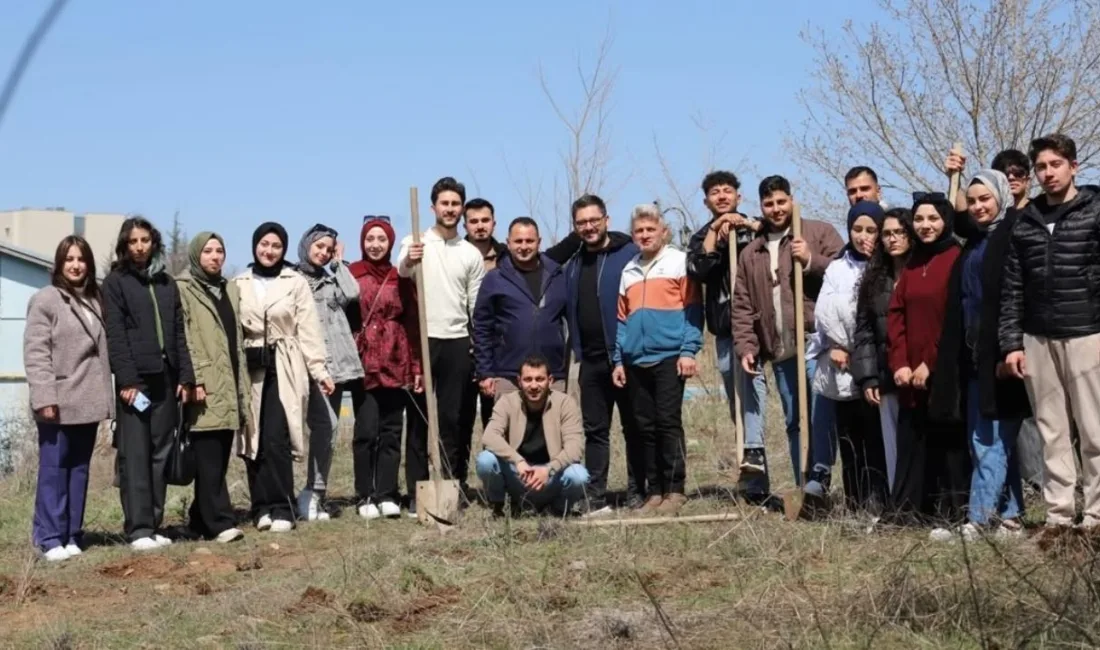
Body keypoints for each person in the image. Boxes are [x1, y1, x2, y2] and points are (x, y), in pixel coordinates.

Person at [1000, 134, 1100, 531]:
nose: (1047, 173)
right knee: (1051, 431)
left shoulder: (1095, 210)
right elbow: (1012, 286)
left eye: (1055, 165)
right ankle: (1059, 516)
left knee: (1094, 430)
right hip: (1037, 338)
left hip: (1088, 333)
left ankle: (1094, 516)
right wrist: (1011, 343)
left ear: (1073, 166)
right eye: (1040, 167)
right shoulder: (1026, 220)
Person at [932, 170, 1027, 540]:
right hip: (974, 358)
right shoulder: (973, 243)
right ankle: (1011, 515)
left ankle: (980, 518)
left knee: (988, 440)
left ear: (1001, 197)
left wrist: (1010, 347)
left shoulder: (1013, 236)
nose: (977, 207)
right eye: (972, 201)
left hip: (1002, 357)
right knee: (990, 438)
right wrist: (953, 178)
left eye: (984, 199)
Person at [732, 176, 845, 486]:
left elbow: (846, 273)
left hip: (815, 343)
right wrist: (747, 347)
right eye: (769, 204)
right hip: (781, 348)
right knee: (795, 421)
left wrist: (810, 259)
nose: (776, 208)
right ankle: (802, 485)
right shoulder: (751, 252)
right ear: (761, 207)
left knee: (819, 417)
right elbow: (741, 305)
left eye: (781, 201)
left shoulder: (818, 232)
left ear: (792, 200)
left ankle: (821, 479)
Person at [103, 217, 195, 551]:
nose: (140, 247)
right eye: (133, 241)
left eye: (145, 240)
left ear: (154, 242)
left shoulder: (166, 283)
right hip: (135, 383)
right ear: (125, 246)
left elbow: (178, 333)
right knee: (135, 455)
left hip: (166, 380)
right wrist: (126, 380)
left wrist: (185, 376)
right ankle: (138, 528)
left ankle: (154, 524)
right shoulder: (116, 282)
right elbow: (115, 334)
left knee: (160, 452)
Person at [235, 222, 333, 532]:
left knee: (276, 435)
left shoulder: (295, 282)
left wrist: (319, 369)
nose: (269, 251)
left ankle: (282, 506)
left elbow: (308, 329)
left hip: (285, 363)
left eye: (276, 246)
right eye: (264, 244)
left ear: (284, 250)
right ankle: (260, 506)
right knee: (253, 439)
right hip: (249, 366)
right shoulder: (239, 282)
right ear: (254, 246)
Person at [397, 177, 485, 511]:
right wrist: (410, 259)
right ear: (433, 207)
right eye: (444, 203)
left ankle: (452, 485)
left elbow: (475, 303)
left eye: (455, 204)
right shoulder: (415, 241)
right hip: (423, 338)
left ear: (461, 209)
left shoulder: (469, 254)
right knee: (418, 419)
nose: (449, 209)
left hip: (457, 341)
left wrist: (478, 342)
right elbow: (402, 272)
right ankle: (415, 493)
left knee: (454, 418)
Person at [24, 236, 113, 561]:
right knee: (53, 469)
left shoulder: (94, 299)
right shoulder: (46, 299)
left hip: (87, 400)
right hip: (57, 401)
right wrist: (43, 396)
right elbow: (36, 352)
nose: (76, 265)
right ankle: (48, 537)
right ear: (59, 264)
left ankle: (72, 534)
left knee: (78, 470)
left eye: (81, 259)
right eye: (69, 259)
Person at [611, 204, 703, 516]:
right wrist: (618, 360)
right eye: (639, 231)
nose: (645, 235)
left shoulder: (678, 262)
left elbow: (692, 309)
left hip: (669, 356)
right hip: (636, 360)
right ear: (633, 235)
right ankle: (654, 491)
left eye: (651, 230)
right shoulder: (629, 270)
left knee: (667, 422)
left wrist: (688, 350)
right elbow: (622, 321)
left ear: (663, 232)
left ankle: (675, 489)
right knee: (644, 426)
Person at [887, 194, 969, 538]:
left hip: (945, 370)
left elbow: (955, 318)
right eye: (919, 220)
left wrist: (929, 363)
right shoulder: (912, 264)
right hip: (909, 375)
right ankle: (909, 511)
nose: (926, 226)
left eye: (933, 218)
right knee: (912, 442)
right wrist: (901, 363)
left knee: (946, 443)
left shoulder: (956, 258)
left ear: (945, 220)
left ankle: (951, 514)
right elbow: (897, 315)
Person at [562, 194, 644, 516]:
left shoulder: (629, 254)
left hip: (625, 357)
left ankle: (639, 489)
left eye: (594, 220)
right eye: (582, 222)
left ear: (607, 220)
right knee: (595, 430)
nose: (589, 226)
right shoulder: (573, 263)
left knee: (634, 426)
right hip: (590, 361)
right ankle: (595, 493)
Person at [685, 171, 767, 487]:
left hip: (757, 327)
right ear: (706, 201)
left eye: (727, 190)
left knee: (752, 389)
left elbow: (775, 235)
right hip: (724, 328)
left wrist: (745, 224)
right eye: (715, 192)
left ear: (738, 196)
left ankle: (757, 454)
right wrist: (717, 232)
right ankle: (754, 483)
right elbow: (698, 269)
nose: (722, 196)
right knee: (737, 401)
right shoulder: (702, 236)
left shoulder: (755, 226)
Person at [807, 201, 888, 511]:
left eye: (870, 230)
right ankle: (855, 501)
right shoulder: (838, 267)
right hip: (841, 365)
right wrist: (838, 345)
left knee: (877, 437)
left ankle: (880, 499)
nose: (863, 236)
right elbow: (825, 313)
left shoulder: (886, 266)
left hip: (877, 363)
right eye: (857, 229)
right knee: (850, 438)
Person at [177, 232, 249, 544]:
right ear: (196, 254)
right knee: (207, 455)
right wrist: (194, 379)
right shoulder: (183, 289)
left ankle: (197, 521)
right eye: (208, 251)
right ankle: (220, 522)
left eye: (220, 250)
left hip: (230, 380)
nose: (215, 256)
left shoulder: (228, 289)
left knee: (218, 456)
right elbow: (185, 336)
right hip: (204, 384)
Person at [348, 215, 423, 519]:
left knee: (392, 429)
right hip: (363, 361)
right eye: (370, 239)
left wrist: (416, 364)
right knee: (366, 430)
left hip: (396, 357)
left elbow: (413, 320)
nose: (375, 245)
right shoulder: (352, 273)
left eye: (381, 239)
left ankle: (387, 493)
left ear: (390, 242)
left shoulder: (400, 276)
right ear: (362, 242)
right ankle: (365, 494)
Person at [295, 223, 364, 521]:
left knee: (328, 429)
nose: (323, 253)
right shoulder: (294, 279)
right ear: (306, 245)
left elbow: (352, 292)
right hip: (303, 365)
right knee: (308, 430)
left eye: (328, 248)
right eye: (319, 247)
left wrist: (337, 264)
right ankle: (293, 494)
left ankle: (314, 494)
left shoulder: (332, 277)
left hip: (335, 366)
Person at [476, 354, 589, 517]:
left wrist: (549, 469)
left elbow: (575, 447)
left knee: (579, 475)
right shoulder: (507, 402)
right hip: (518, 475)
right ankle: (502, 507)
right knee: (486, 460)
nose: (534, 385)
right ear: (519, 381)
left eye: (539, 379)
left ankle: (556, 510)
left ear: (550, 381)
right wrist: (518, 461)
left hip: (550, 476)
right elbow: (489, 436)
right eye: (528, 379)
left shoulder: (565, 403)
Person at [852, 208, 916, 494]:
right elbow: (864, 330)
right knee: (892, 443)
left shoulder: (924, 272)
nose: (893, 239)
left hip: (921, 373)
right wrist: (868, 377)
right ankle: (898, 501)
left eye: (900, 232)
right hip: (885, 371)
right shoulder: (874, 279)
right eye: (887, 233)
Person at [473, 217, 568, 401]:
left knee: (550, 429)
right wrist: (485, 372)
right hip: (508, 374)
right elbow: (483, 328)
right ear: (508, 243)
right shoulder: (494, 279)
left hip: (551, 374)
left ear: (539, 242)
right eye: (518, 241)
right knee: (511, 429)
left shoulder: (558, 276)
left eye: (529, 241)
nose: (524, 246)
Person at [459, 198, 507, 437]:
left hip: (499, 353)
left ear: (494, 223)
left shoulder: (507, 259)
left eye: (485, 220)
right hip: (462, 351)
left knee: (498, 422)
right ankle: (457, 475)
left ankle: (500, 474)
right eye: (473, 221)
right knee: (460, 422)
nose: (480, 226)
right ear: (464, 225)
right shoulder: (454, 256)